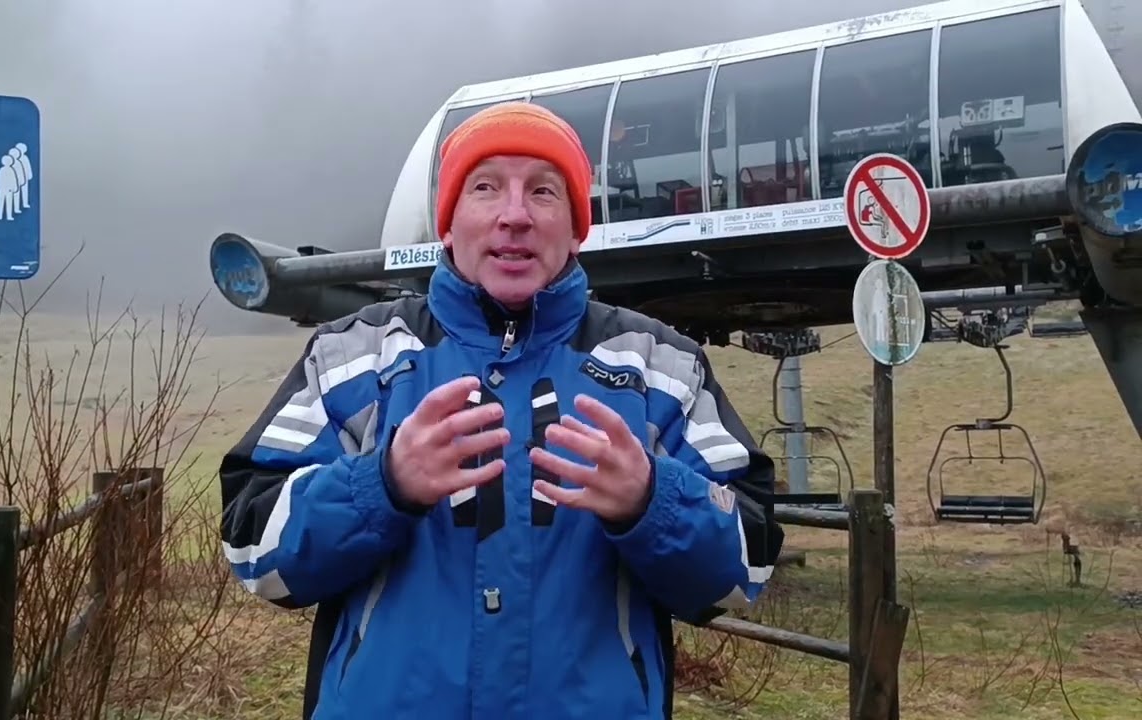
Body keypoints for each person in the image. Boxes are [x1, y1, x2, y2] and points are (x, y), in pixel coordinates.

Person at [220, 101, 783, 720]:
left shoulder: (661, 368)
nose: (514, 216)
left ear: (576, 228)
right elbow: (254, 550)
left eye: (543, 192)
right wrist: (381, 485)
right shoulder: (352, 356)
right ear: (448, 222)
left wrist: (652, 500)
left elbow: (745, 567)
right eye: (485, 188)